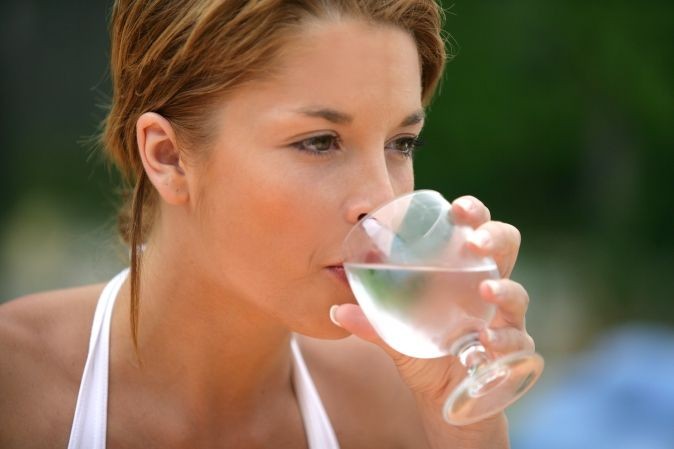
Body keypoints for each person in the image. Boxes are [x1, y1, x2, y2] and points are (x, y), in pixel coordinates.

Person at [0, 0, 535, 447]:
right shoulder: (16, 389)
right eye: (319, 142)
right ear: (167, 157)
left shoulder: (397, 407)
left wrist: (465, 430)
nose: (382, 200)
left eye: (401, 143)